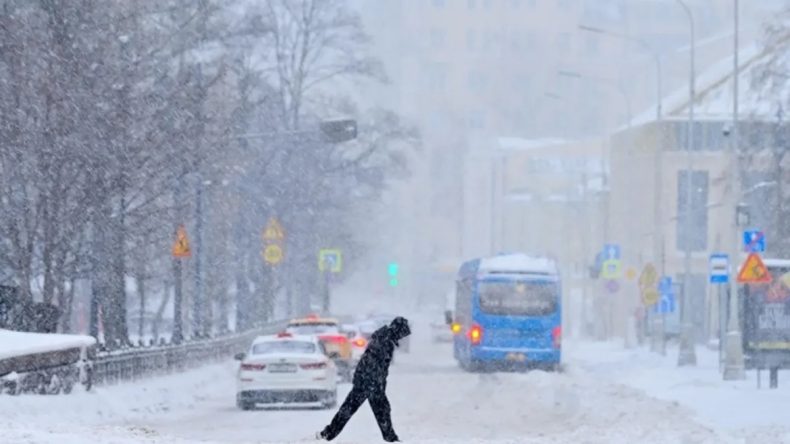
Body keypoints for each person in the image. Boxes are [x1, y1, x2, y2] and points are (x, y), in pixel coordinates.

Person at [317, 317, 411, 442]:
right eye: (402, 334)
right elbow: (373, 364)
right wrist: (376, 384)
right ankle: (328, 434)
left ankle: (329, 433)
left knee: (356, 409)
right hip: (369, 382)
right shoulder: (384, 342)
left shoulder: (384, 338)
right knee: (371, 410)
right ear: (398, 331)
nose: (402, 337)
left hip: (368, 381)